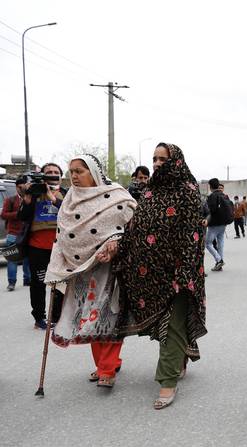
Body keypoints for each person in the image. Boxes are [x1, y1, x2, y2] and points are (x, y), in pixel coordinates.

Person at [113, 142, 206, 409]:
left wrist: (185, 273)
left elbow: (192, 235)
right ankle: (181, 356)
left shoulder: (187, 192)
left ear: (175, 161)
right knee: (162, 325)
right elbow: (134, 227)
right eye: (154, 158)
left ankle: (167, 381)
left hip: (177, 272)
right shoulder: (149, 192)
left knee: (173, 324)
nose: (156, 163)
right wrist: (118, 248)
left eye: (162, 159)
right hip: (149, 273)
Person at [44, 154, 136, 388]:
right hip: (81, 269)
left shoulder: (117, 197)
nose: (74, 175)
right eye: (71, 171)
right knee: (89, 317)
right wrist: (56, 268)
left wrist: (116, 242)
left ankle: (107, 368)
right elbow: (61, 236)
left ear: (94, 172)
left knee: (109, 315)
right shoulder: (69, 201)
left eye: (80, 170)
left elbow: (134, 228)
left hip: (111, 268)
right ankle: (105, 365)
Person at [18, 162, 66, 329]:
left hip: (60, 247)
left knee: (60, 284)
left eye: (55, 172)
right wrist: (27, 199)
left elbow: (73, 216)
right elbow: (22, 217)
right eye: (49, 172)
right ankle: (39, 318)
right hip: (36, 247)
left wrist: (55, 200)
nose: (52, 174)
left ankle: (57, 317)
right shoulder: (35, 192)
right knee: (38, 283)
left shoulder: (67, 194)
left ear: (61, 176)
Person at [1, 175, 31, 291]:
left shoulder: (31, 199)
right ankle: (11, 283)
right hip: (13, 234)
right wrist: (18, 214)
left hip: (27, 234)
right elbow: (3, 215)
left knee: (27, 259)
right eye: (19, 187)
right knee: (12, 259)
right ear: (16, 187)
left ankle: (27, 280)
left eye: (23, 187)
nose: (21, 189)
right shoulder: (11, 200)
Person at [205, 178, 232, 271]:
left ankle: (219, 260)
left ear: (211, 186)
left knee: (207, 243)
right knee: (220, 243)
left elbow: (210, 211)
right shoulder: (224, 195)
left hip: (214, 224)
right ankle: (219, 263)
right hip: (223, 224)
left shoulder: (212, 196)